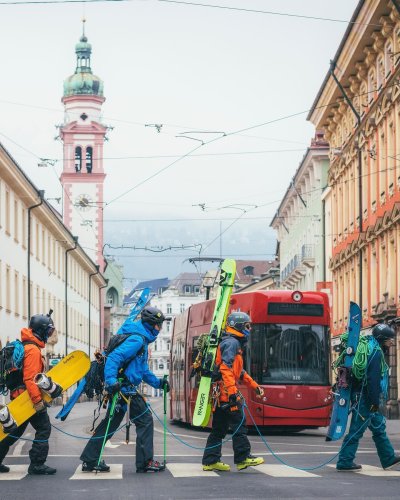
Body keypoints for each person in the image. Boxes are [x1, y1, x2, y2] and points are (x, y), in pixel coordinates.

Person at [80, 306, 170, 473]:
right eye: (159, 325)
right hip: (123, 388)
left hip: (123, 388)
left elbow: (142, 370)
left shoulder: (141, 339)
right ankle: (145, 462)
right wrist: (111, 381)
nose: (160, 328)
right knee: (145, 420)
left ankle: (90, 459)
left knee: (110, 423)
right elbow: (115, 357)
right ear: (151, 325)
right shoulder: (137, 340)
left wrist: (158, 384)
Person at [202, 312, 265, 472]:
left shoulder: (231, 342)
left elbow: (240, 372)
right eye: (247, 326)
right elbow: (225, 368)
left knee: (219, 429)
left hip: (220, 393)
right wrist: (232, 393)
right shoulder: (232, 343)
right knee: (239, 425)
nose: (249, 329)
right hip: (225, 393)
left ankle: (210, 461)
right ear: (238, 326)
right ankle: (243, 458)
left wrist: (254, 386)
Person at [336, 323, 400, 471]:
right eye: (390, 338)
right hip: (365, 399)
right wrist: (374, 403)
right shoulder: (375, 353)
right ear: (382, 338)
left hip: (363, 396)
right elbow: (373, 380)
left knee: (379, 429)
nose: (392, 341)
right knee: (356, 430)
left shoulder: (370, 348)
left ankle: (388, 458)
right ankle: (344, 462)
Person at [0, 313, 58, 475]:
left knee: (14, 431)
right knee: (44, 427)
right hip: (28, 398)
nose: (48, 335)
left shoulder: (28, 346)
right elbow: (30, 378)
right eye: (47, 331)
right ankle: (37, 464)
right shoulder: (32, 350)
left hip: (19, 395)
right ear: (40, 330)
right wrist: (38, 401)